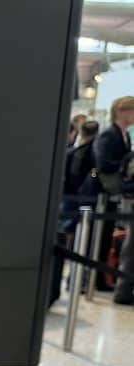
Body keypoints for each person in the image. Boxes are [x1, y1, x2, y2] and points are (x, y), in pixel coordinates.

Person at [51, 120, 101, 305]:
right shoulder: (88, 153)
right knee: (79, 237)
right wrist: (95, 177)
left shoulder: (76, 151)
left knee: (69, 237)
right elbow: (90, 176)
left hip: (71, 201)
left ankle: (74, 279)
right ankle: (75, 280)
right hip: (83, 202)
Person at [97, 96, 134, 304]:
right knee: (100, 237)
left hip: (116, 194)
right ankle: (93, 279)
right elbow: (101, 165)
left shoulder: (124, 135)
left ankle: (101, 279)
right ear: (122, 111)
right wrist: (125, 164)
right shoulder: (109, 135)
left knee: (106, 237)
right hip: (104, 194)